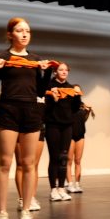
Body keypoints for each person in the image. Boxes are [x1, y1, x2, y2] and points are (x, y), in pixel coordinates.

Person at [0, 17, 53, 219]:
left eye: (27, 31)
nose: (24, 34)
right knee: (5, 163)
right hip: (8, 110)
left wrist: (47, 70)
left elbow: (41, 91)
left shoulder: (35, 59)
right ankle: (2, 215)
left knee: (29, 163)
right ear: (10, 34)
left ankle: (26, 212)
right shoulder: (1, 57)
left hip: (31, 111)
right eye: (20, 30)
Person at [45, 63, 81, 201]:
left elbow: (76, 108)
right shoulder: (49, 86)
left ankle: (61, 187)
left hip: (67, 126)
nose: (64, 72)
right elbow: (45, 108)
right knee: (54, 157)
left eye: (66, 70)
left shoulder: (71, 88)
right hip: (53, 125)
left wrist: (77, 95)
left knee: (63, 157)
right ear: (55, 72)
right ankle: (53, 189)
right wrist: (53, 99)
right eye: (61, 69)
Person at [66, 92, 93, 194]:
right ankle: (69, 183)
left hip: (80, 135)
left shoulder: (82, 106)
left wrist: (88, 112)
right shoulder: (68, 105)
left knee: (78, 160)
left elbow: (83, 120)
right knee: (69, 160)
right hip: (70, 135)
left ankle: (77, 183)